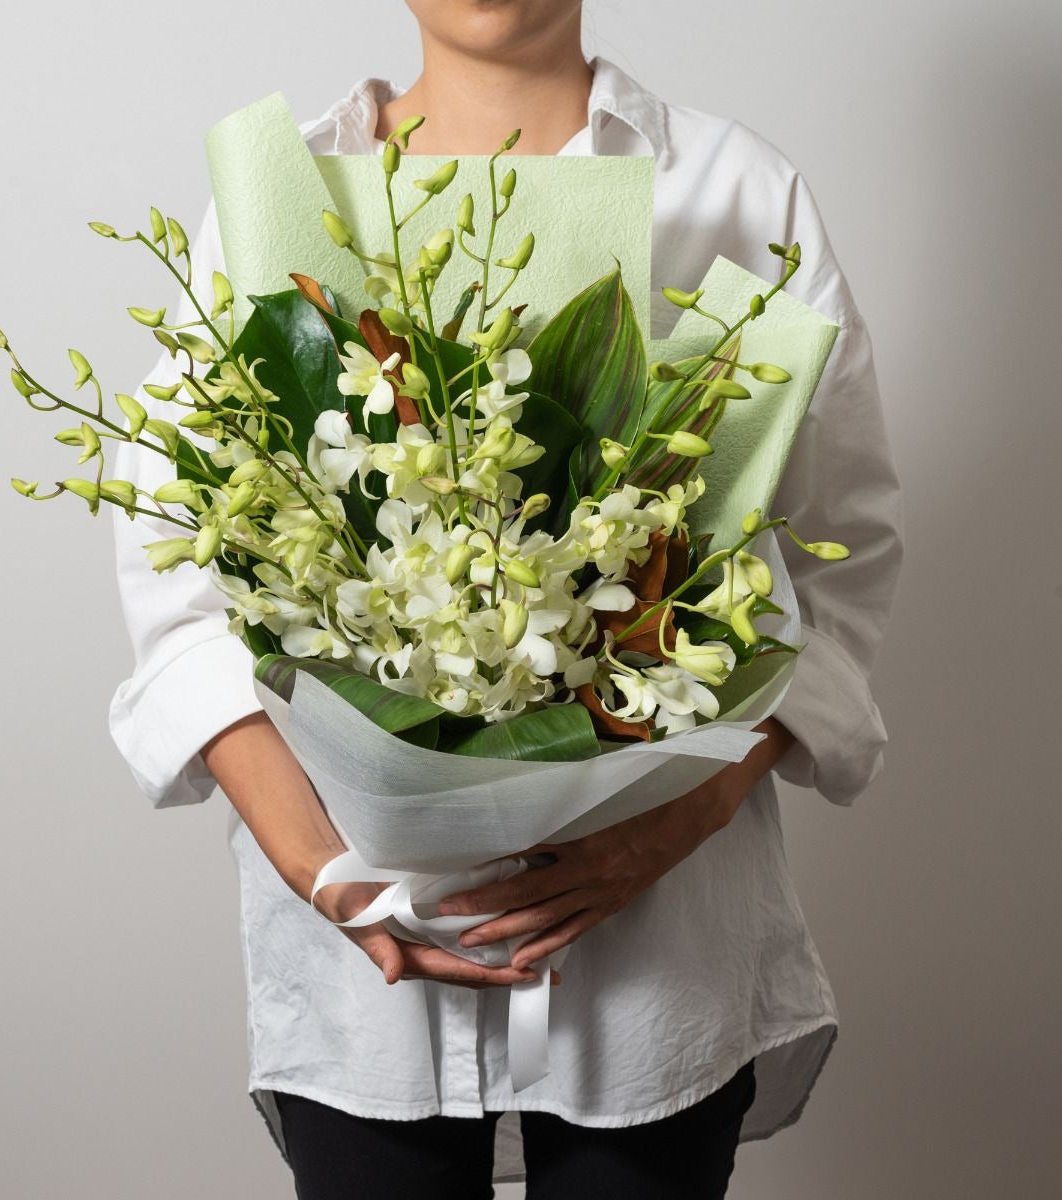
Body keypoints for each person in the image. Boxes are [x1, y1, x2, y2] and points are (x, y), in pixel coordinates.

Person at [106, 2, 904, 1196]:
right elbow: (176, 560)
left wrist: (667, 826)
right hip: (359, 968)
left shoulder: (741, 190)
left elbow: (841, 560)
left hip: (660, 945)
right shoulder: (280, 199)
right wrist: (319, 864)